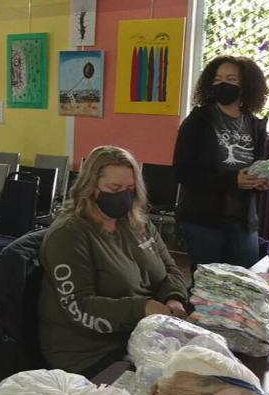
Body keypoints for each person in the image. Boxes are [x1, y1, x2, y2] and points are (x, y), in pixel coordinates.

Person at [37, 146, 190, 377]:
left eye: (130, 188)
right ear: (90, 188)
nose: (124, 196)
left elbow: (170, 268)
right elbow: (79, 307)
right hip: (91, 353)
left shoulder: (137, 222)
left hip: (142, 335)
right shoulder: (69, 234)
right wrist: (142, 308)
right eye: (114, 188)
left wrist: (174, 298)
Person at [173, 55, 269, 269]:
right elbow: (182, 171)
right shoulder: (197, 121)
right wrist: (232, 180)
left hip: (244, 220)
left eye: (231, 79)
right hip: (203, 220)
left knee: (245, 281)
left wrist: (261, 182)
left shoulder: (255, 124)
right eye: (217, 79)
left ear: (247, 85)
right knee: (207, 287)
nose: (223, 84)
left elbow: (258, 165)